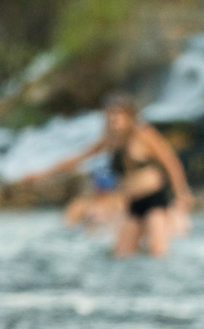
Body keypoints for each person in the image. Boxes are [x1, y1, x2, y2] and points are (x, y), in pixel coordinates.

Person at [19, 93, 194, 257]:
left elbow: (170, 161)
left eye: (119, 115)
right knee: (122, 253)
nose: (114, 119)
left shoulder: (143, 134)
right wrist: (41, 174)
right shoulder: (110, 140)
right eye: (111, 115)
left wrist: (181, 192)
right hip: (132, 203)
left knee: (157, 251)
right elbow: (78, 158)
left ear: (129, 116)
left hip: (155, 200)